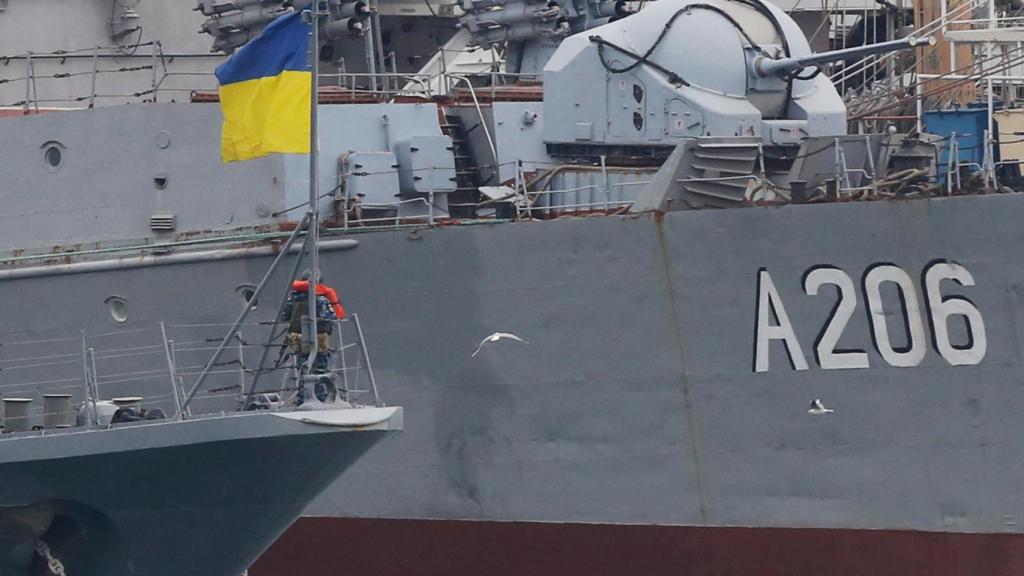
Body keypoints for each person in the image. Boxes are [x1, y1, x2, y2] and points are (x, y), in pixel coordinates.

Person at [279, 273, 346, 373]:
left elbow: (284, 317)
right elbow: (329, 316)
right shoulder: (321, 299)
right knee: (319, 367)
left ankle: (303, 384)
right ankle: (318, 387)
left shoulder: (293, 298)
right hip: (318, 338)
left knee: (302, 365)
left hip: (298, 337)